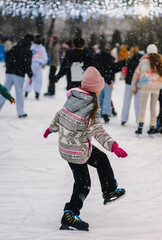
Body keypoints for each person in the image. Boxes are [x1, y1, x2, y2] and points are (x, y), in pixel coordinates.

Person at [43, 67, 128, 231]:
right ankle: (70, 214)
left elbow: (60, 114)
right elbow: (97, 131)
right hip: (77, 150)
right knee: (83, 184)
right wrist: (113, 145)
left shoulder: (74, 96)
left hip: (68, 146)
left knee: (100, 159)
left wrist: (51, 128)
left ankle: (109, 190)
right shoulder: (91, 106)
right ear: (97, 88)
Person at [131, 44, 162, 137]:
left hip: (144, 86)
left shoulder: (143, 61)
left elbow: (136, 74)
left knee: (142, 107)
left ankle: (140, 127)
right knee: (153, 107)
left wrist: (133, 87)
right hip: (156, 87)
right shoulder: (160, 61)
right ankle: (152, 127)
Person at [0, 34, 34, 118]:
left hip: (9, 73)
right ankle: (20, 112)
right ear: (31, 41)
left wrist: (9, 67)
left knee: (5, 92)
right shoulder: (27, 51)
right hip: (19, 74)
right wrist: (30, 75)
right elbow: (27, 64)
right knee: (19, 93)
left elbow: (7, 56)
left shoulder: (14, 48)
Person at [95, 42, 126, 123]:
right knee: (107, 98)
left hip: (98, 81)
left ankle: (96, 113)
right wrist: (123, 63)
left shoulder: (96, 58)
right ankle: (105, 114)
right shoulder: (109, 59)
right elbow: (113, 68)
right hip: (108, 81)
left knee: (98, 98)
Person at [121, 46, 142, 125]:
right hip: (138, 83)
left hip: (129, 82)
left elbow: (121, 65)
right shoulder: (141, 60)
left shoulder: (129, 59)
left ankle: (124, 119)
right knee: (138, 102)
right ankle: (138, 120)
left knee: (126, 101)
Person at [24, 35, 48, 100]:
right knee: (30, 78)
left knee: (38, 79)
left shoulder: (41, 48)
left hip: (38, 65)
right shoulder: (32, 46)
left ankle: (36, 93)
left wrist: (42, 62)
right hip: (32, 64)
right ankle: (27, 91)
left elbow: (45, 58)